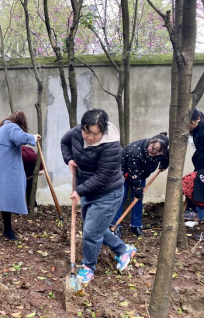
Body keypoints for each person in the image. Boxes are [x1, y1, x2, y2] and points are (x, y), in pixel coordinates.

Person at [61, 109, 136, 284]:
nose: (89, 137)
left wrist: (79, 191)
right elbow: (64, 142)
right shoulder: (76, 132)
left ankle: (88, 268)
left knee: (90, 231)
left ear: (103, 131)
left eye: (94, 134)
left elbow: (102, 177)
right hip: (88, 189)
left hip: (107, 193)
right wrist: (69, 159)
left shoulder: (111, 146)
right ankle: (123, 249)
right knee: (94, 228)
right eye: (86, 132)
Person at [0, 111, 41, 241]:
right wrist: (33, 137)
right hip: (1, 171)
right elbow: (20, 137)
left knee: (3, 199)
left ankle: (6, 230)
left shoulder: (1, 129)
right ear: (21, 125)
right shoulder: (12, 127)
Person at [112, 133, 169, 237]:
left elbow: (166, 156)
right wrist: (138, 191)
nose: (153, 151)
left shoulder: (163, 152)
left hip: (141, 174)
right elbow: (134, 175)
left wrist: (164, 164)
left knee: (138, 199)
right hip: (123, 172)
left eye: (157, 151)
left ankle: (136, 226)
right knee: (121, 197)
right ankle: (116, 225)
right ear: (150, 142)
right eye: (152, 147)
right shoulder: (136, 152)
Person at [184, 109, 204, 222]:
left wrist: (197, 172)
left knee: (189, 181)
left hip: (202, 162)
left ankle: (192, 209)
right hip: (200, 161)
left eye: (190, 124)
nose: (188, 127)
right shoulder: (197, 128)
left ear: (198, 120)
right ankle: (194, 211)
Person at [21, 146, 45, 211]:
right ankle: (32, 208)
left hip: (29, 169)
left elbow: (37, 158)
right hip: (26, 170)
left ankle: (32, 208)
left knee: (29, 189)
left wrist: (41, 168)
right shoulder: (26, 150)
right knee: (27, 190)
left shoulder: (23, 153)